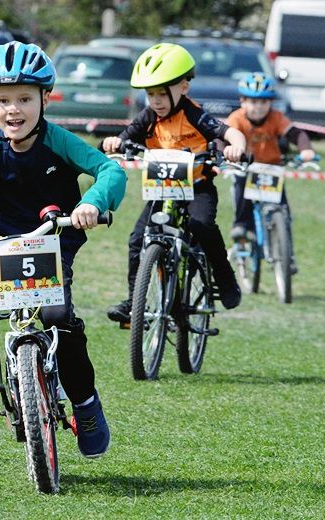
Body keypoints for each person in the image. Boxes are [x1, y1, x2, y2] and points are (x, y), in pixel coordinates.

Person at [0, 41, 127, 459]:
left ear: (45, 99)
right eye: (4, 100)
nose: (14, 110)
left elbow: (110, 170)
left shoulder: (61, 141)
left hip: (52, 238)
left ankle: (85, 405)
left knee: (59, 320)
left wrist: (92, 203)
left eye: (25, 99)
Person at [102, 43, 246, 324]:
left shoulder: (194, 114)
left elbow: (230, 133)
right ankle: (135, 303)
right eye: (150, 94)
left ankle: (225, 279)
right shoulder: (147, 117)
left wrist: (235, 148)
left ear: (183, 87)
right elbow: (125, 136)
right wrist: (114, 142)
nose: (155, 100)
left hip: (197, 187)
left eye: (161, 93)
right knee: (137, 240)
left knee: (200, 225)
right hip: (162, 189)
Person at [227, 72, 315, 274]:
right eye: (253, 101)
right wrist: (226, 152)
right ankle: (241, 227)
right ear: (242, 100)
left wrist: (306, 149)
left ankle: (287, 255)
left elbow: (296, 134)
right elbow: (224, 137)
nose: (258, 107)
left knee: (283, 211)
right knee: (241, 190)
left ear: (271, 103)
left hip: (271, 170)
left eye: (264, 102)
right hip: (245, 168)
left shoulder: (276, 118)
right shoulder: (237, 118)